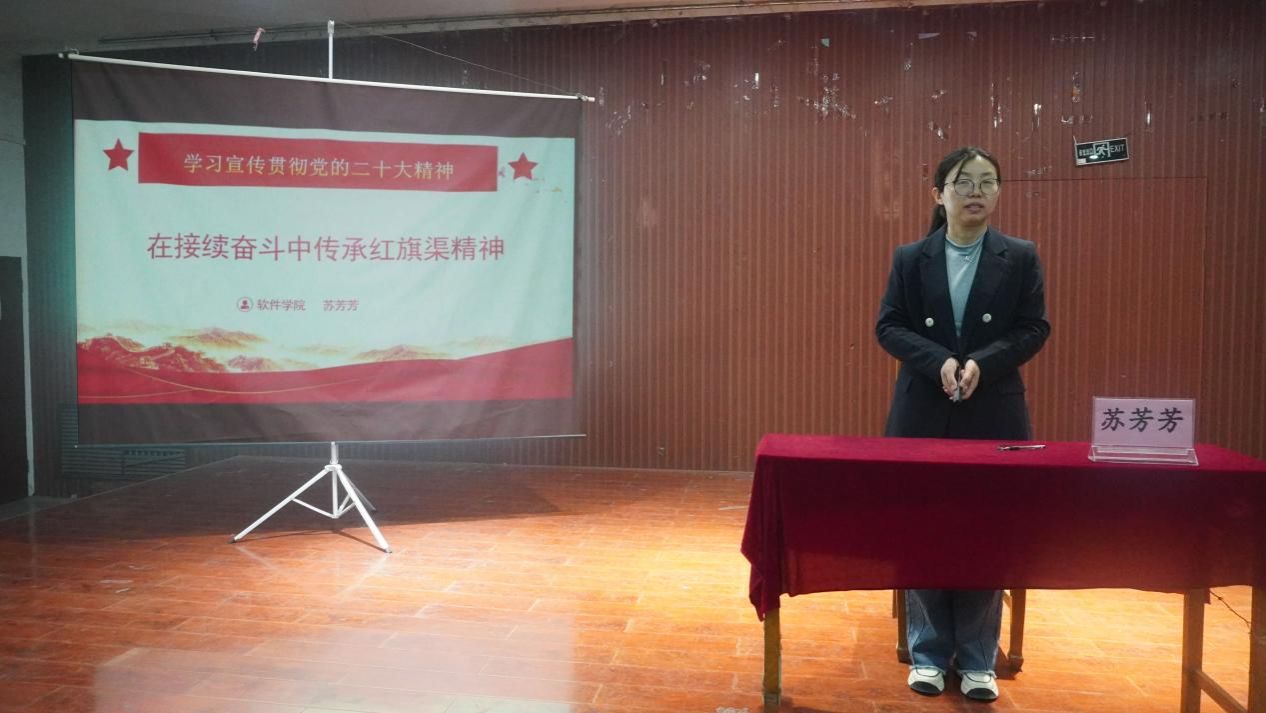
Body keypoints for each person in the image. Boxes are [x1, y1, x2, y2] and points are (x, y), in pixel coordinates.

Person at [874, 146, 1051, 701]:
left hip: (993, 411)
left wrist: (981, 364)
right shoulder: (911, 257)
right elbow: (889, 326)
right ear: (939, 194)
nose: (976, 191)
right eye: (963, 182)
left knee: (985, 530)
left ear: (998, 192)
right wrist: (940, 363)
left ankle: (977, 658)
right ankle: (927, 651)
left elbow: (1033, 328)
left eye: (987, 182)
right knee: (922, 526)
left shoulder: (1019, 256)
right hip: (922, 411)